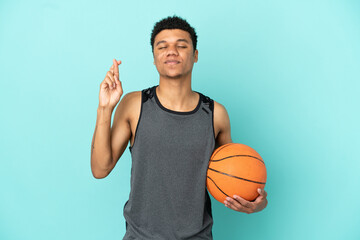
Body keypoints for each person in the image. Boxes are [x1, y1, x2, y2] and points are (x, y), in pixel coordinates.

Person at [90, 15, 268, 240]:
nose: (171, 51)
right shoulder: (134, 105)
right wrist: (104, 108)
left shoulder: (216, 115)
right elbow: (100, 169)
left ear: (195, 55)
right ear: (154, 58)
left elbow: (234, 177)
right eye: (162, 46)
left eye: (181, 45)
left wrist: (256, 202)